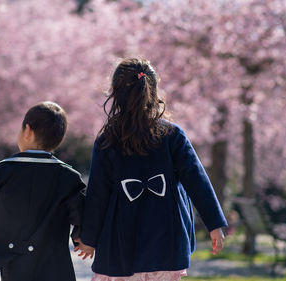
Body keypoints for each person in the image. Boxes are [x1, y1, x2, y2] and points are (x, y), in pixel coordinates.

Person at [75, 58, 228, 281]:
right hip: (167, 239)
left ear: (115, 93)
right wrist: (214, 224)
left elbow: (98, 193)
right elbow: (197, 180)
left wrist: (88, 239)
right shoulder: (172, 135)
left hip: (121, 242)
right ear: (153, 91)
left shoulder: (107, 140)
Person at [0, 101, 86, 281]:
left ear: (28, 131)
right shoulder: (69, 177)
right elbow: (82, 215)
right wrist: (81, 237)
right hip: (55, 267)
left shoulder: (1, 172)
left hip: (13, 265)